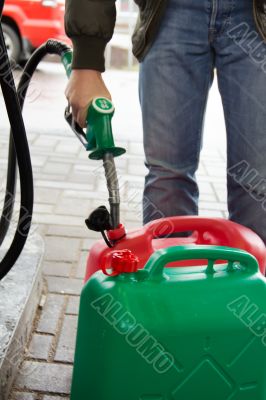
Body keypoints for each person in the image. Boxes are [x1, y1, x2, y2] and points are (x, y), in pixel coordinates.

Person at [65, 0, 266, 244]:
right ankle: (167, 277)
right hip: (170, 12)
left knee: (257, 179)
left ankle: (257, 281)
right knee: (168, 177)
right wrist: (86, 61)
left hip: (256, 17)